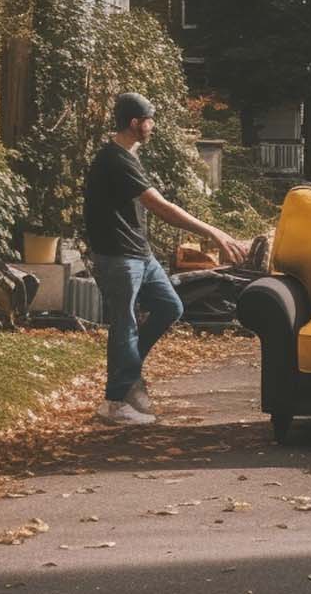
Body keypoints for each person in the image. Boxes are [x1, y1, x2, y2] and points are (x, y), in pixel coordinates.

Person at [84, 92, 251, 426]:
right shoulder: (115, 159)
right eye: (150, 119)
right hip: (118, 256)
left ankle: (128, 377)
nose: (153, 125)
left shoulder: (128, 156)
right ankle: (114, 403)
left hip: (139, 254)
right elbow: (161, 207)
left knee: (169, 306)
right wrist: (214, 232)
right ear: (135, 123)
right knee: (125, 324)